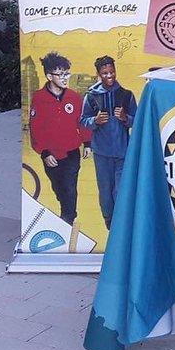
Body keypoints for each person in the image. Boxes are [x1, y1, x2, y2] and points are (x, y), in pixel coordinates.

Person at [28, 52, 91, 225]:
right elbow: (35, 128)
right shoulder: (39, 98)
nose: (65, 78)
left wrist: (87, 142)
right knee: (58, 187)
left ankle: (68, 218)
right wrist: (44, 152)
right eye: (60, 74)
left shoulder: (74, 98)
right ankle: (66, 208)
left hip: (71, 151)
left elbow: (82, 121)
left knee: (70, 187)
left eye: (67, 74)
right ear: (49, 76)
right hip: (51, 154)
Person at [79, 55, 137, 230]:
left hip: (123, 153)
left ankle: (122, 224)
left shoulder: (126, 95)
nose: (110, 76)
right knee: (105, 192)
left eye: (112, 72)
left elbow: (137, 120)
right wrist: (95, 121)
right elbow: (82, 121)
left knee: (120, 191)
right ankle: (109, 224)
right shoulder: (91, 96)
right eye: (105, 73)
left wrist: (125, 118)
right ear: (99, 74)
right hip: (102, 154)